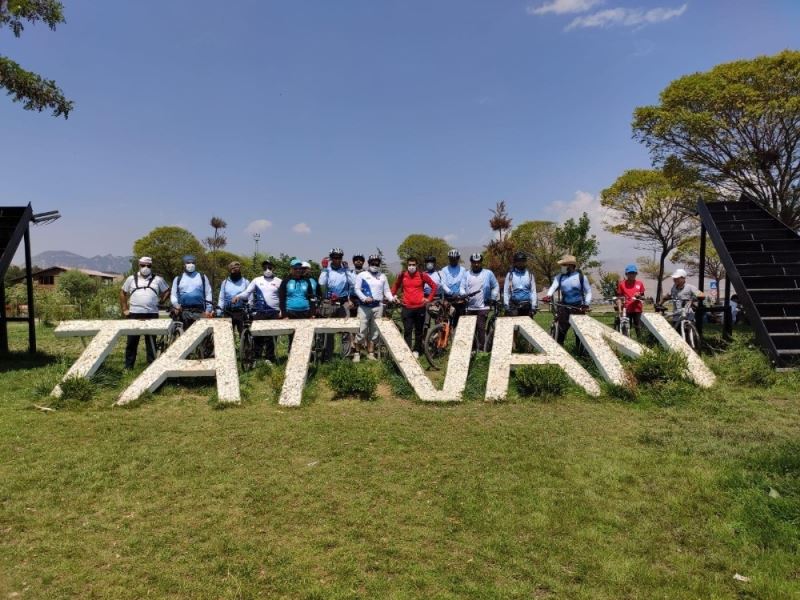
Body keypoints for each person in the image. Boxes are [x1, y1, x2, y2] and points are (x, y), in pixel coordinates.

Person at [119, 256, 170, 369]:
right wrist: (125, 309)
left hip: (152, 313)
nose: (145, 268)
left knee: (151, 341)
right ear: (139, 265)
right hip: (134, 313)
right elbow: (122, 292)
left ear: (151, 266)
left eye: (148, 266)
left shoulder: (158, 279)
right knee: (132, 341)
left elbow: (167, 290)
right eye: (143, 265)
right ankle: (128, 367)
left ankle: (151, 366)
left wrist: (161, 301)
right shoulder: (131, 279)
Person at [233, 259, 282, 364]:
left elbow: (283, 297)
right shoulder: (257, 280)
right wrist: (238, 296)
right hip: (260, 311)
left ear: (273, 268)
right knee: (258, 335)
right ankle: (256, 357)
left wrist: (281, 310)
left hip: (274, 312)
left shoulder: (279, 281)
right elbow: (247, 292)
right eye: (265, 268)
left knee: (272, 336)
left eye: (269, 267)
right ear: (262, 269)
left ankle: (269, 358)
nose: (267, 270)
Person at [392, 257, 437, 358]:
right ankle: (408, 350)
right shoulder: (402, 275)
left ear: (417, 265)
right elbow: (395, 285)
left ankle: (417, 350)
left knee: (418, 330)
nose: (411, 267)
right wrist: (393, 296)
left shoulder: (422, 275)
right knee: (407, 330)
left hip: (420, 307)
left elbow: (434, 286)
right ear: (407, 265)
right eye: (409, 265)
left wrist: (429, 299)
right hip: (406, 307)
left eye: (413, 265)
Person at [542, 254, 592, 345]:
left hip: (578, 307)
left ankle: (580, 351)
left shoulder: (581, 277)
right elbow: (553, 287)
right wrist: (548, 295)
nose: (562, 267)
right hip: (564, 307)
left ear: (570, 265)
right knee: (561, 330)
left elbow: (588, 291)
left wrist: (586, 304)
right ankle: (559, 348)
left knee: (579, 333)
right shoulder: (560, 277)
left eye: (564, 265)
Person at [354, 254, 395, 361]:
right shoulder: (362, 275)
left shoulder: (383, 276)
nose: (375, 265)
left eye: (377, 263)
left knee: (375, 331)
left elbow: (387, 291)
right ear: (368, 263)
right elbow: (357, 289)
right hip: (364, 307)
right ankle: (357, 353)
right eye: (372, 263)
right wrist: (364, 298)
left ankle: (371, 353)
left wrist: (392, 299)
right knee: (361, 330)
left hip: (378, 306)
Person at [318, 247, 355, 360]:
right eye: (335, 257)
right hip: (330, 303)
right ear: (331, 258)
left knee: (346, 330)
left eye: (339, 257)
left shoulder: (345, 270)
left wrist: (347, 269)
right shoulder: (327, 270)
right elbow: (321, 282)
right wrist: (324, 269)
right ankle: (328, 357)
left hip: (343, 303)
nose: (337, 259)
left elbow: (353, 282)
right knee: (329, 331)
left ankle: (346, 356)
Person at [460, 253, 499, 351]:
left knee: (481, 328)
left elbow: (495, 286)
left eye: (478, 262)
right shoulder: (466, 274)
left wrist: (493, 297)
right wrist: (463, 294)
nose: (476, 264)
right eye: (474, 262)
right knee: (470, 329)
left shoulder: (488, 273)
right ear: (471, 263)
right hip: (470, 306)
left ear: (481, 263)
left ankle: (481, 350)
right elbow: (461, 287)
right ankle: (471, 349)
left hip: (483, 306)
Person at [170, 254, 212, 329]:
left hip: (200, 311)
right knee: (184, 333)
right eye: (188, 263)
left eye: (193, 263)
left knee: (200, 333)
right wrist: (176, 305)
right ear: (184, 265)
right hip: (183, 311)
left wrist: (208, 309)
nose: (191, 264)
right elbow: (173, 294)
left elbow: (208, 293)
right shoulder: (178, 279)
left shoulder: (202, 277)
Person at [216, 261, 250, 335]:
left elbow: (250, 298)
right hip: (228, 312)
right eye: (233, 270)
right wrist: (219, 312)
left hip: (241, 312)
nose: (235, 271)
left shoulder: (245, 282)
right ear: (230, 270)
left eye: (237, 269)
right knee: (227, 335)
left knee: (244, 335)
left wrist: (250, 312)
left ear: (240, 270)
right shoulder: (225, 282)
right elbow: (221, 298)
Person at [439, 248, 468, 325]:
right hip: (448, 298)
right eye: (451, 259)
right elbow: (443, 284)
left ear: (458, 259)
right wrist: (451, 292)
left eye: (455, 259)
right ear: (449, 259)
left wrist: (462, 293)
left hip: (459, 299)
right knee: (446, 321)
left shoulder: (463, 270)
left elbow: (464, 284)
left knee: (458, 321)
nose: (453, 260)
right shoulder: (444, 270)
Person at [615, 264, 645, 337]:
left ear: (636, 274)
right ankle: (627, 342)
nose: (632, 275)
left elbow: (643, 297)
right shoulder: (621, 284)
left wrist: (639, 296)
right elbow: (619, 298)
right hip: (626, 309)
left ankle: (641, 341)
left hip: (637, 309)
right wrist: (620, 310)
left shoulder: (640, 284)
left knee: (638, 327)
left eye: (634, 273)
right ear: (626, 274)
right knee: (626, 328)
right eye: (630, 273)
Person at [503, 251, 537, 316]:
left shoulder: (530, 275)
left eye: (522, 261)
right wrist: (506, 305)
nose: (520, 264)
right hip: (514, 305)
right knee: (514, 321)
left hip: (527, 305)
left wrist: (534, 306)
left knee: (527, 322)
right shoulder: (510, 275)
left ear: (525, 262)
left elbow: (533, 291)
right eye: (518, 262)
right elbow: (506, 291)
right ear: (515, 262)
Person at [348, 252, 366, 317]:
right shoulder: (349, 273)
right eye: (356, 259)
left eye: (360, 260)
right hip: (352, 300)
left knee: (363, 319)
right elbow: (347, 288)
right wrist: (349, 300)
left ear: (363, 262)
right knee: (352, 320)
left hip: (364, 300)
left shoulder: (367, 274)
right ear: (353, 262)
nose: (358, 261)